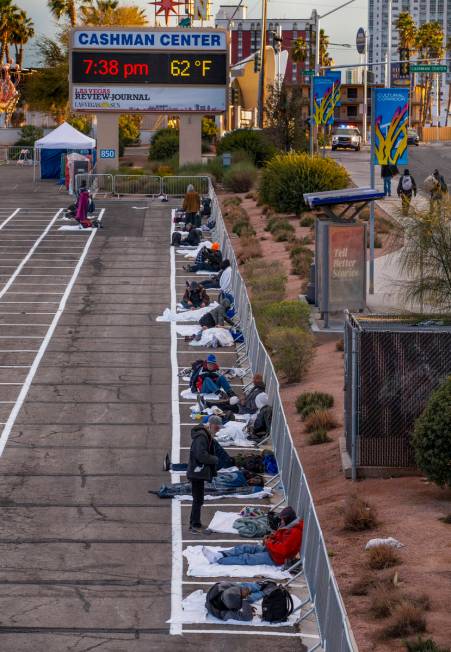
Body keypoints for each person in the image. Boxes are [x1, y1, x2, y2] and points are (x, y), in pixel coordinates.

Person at [202, 506, 303, 566]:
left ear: (288, 519)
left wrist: (269, 542)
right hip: (272, 550)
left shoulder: (294, 532)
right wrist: (270, 538)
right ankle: (221, 554)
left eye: (282, 519)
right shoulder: (289, 526)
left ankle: (218, 560)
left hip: (277, 558)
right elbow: (279, 538)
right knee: (245, 548)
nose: (281, 521)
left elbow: (283, 550)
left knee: (246, 558)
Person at [187, 415, 221, 533]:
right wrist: (214, 459)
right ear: (210, 425)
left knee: (198, 499)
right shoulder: (202, 437)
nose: (217, 431)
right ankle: (194, 524)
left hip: (198, 472)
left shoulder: (205, 436)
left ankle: (195, 522)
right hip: (197, 472)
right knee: (198, 499)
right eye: (216, 428)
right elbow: (201, 456)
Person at [154, 469, 264, 498]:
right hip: (213, 483)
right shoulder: (240, 476)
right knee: (188, 486)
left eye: (255, 482)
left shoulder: (244, 484)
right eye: (255, 479)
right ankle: (168, 489)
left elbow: (250, 490)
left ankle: (167, 491)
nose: (253, 481)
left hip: (214, 486)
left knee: (189, 489)